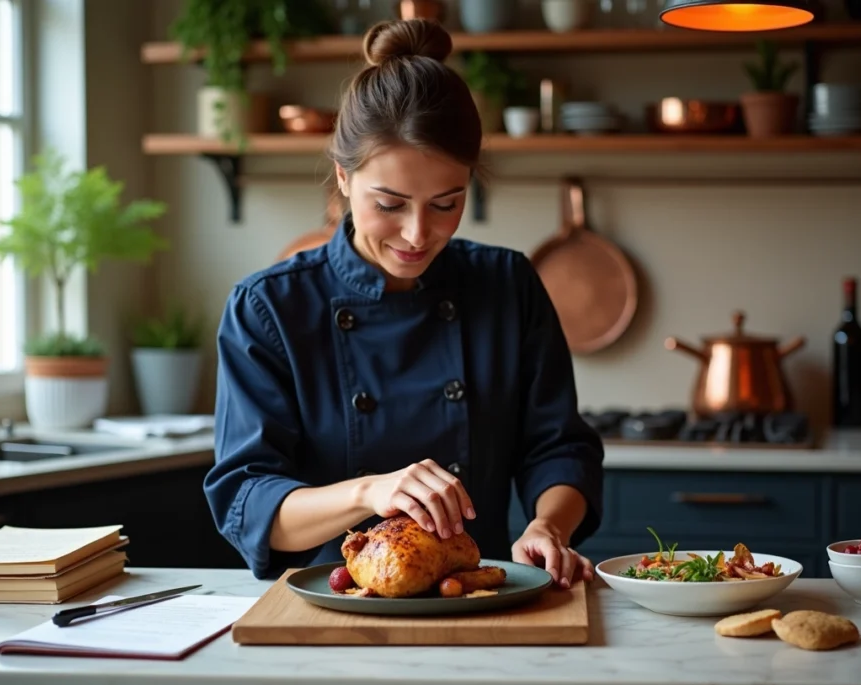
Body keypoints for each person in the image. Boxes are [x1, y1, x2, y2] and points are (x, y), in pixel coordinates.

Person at [205, 18, 604, 589]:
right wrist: (372, 489)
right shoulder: (268, 308)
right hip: (328, 614)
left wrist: (549, 526)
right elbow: (248, 500)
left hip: (473, 601)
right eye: (389, 203)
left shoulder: (507, 284)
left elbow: (559, 447)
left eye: (447, 203)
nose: (418, 233)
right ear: (343, 178)